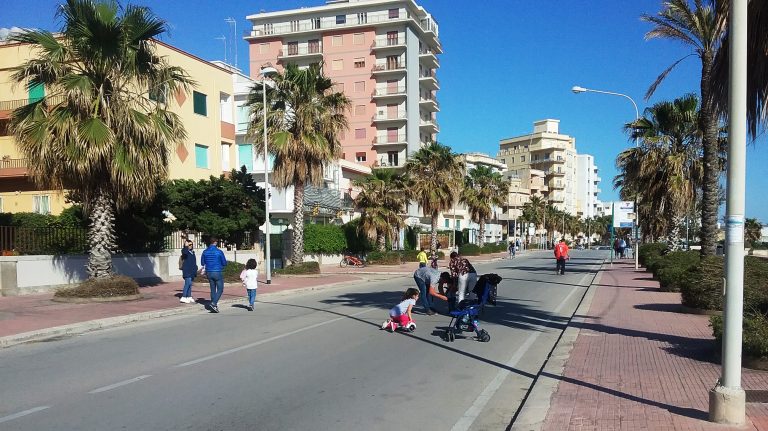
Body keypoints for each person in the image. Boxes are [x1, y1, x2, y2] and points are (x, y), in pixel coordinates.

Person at [200, 236, 228, 313]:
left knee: (212, 289)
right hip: (217, 271)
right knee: (220, 289)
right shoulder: (219, 252)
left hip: (209, 272)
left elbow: (202, 263)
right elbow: (224, 263)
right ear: (215, 242)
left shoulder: (205, 252)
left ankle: (214, 305)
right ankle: (214, 303)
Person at [180, 239, 198, 304]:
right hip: (187, 270)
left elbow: (193, 262)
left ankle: (189, 296)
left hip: (192, 271)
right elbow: (184, 252)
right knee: (187, 283)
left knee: (190, 284)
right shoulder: (185, 251)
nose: (190, 246)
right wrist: (186, 246)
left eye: (191, 244)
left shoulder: (192, 252)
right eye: (189, 245)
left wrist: (196, 268)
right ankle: (184, 297)